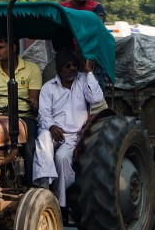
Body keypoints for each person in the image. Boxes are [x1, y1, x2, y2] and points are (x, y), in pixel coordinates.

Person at [33, 49, 104, 218]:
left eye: (74, 65)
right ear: (59, 70)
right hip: (52, 130)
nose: (72, 68)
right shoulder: (48, 87)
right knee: (42, 138)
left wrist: (89, 73)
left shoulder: (83, 80)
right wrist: (51, 127)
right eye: (67, 66)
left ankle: (59, 203)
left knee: (61, 158)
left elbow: (96, 98)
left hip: (72, 136)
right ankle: (44, 184)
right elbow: (43, 114)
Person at [0, 36, 42, 183]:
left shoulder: (31, 69)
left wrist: (33, 103)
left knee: (29, 144)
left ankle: (29, 183)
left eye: (0, 47)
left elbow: (34, 101)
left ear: (13, 48)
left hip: (23, 117)